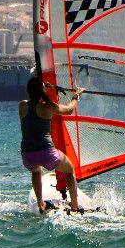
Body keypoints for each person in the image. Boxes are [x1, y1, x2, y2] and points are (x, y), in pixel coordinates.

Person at [19, 76, 85, 213]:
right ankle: (74, 205)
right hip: (47, 154)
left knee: (36, 171)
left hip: (27, 156)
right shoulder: (48, 107)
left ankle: (40, 203)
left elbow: (35, 99)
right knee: (69, 170)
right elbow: (69, 110)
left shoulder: (22, 105)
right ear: (41, 90)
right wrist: (76, 96)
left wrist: (44, 87)